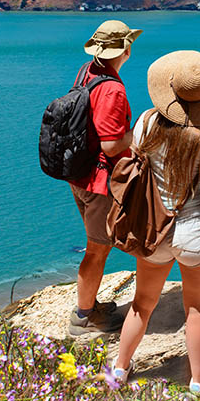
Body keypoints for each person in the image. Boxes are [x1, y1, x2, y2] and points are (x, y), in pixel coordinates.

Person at [112, 50, 200, 396]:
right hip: (196, 235)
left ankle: (120, 370)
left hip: (155, 231)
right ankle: (198, 382)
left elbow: (137, 166)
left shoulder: (147, 123)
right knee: (196, 308)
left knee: (142, 303)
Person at [68, 20, 142, 337]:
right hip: (100, 183)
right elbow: (111, 144)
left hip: (79, 173)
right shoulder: (112, 88)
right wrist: (137, 133)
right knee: (97, 250)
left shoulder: (88, 71)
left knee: (97, 246)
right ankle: (83, 317)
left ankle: (91, 304)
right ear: (125, 49)